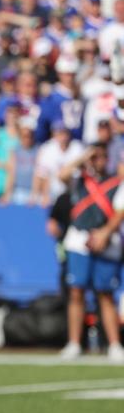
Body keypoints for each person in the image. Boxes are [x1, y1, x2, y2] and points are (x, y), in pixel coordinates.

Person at [57, 143, 124, 361]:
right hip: (79, 240)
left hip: (106, 243)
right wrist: (84, 157)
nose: (98, 161)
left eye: (102, 157)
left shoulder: (116, 183)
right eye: (95, 157)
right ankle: (74, 342)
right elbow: (62, 174)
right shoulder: (80, 181)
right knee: (76, 291)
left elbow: (119, 213)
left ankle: (114, 344)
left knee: (105, 293)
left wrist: (104, 233)